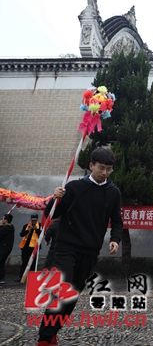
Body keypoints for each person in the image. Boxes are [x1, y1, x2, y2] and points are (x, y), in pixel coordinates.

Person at [37, 147, 122, 346]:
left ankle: (52, 332)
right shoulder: (74, 187)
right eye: (101, 168)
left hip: (90, 251)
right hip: (66, 247)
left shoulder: (113, 192)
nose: (105, 173)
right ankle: (44, 338)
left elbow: (117, 221)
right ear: (91, 165)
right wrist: (55, 198)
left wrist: (115, 239)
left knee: (72, 297)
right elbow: (52, 213)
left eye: (109, 169)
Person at [18, 213, 41, 278]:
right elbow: (21, 234)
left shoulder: (40, 225)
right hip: (25, 247)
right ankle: (21, 277)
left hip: (35, 247)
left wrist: (36, 230)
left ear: (37, 219)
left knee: (33, 263)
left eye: (35, 220)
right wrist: (28, 230)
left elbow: (42, 234)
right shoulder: (26, 226)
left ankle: (32, 277)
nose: (33, 222)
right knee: (24, 262)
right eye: (32, 220)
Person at [0, 213, 15, 284]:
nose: (1, 220)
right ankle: (2, 278)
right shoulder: (11, 227)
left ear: (6, 220)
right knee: (1, 262)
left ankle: (1, 278)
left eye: (3, 219)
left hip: (3, 248)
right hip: (8, 248)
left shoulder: (4, 229)